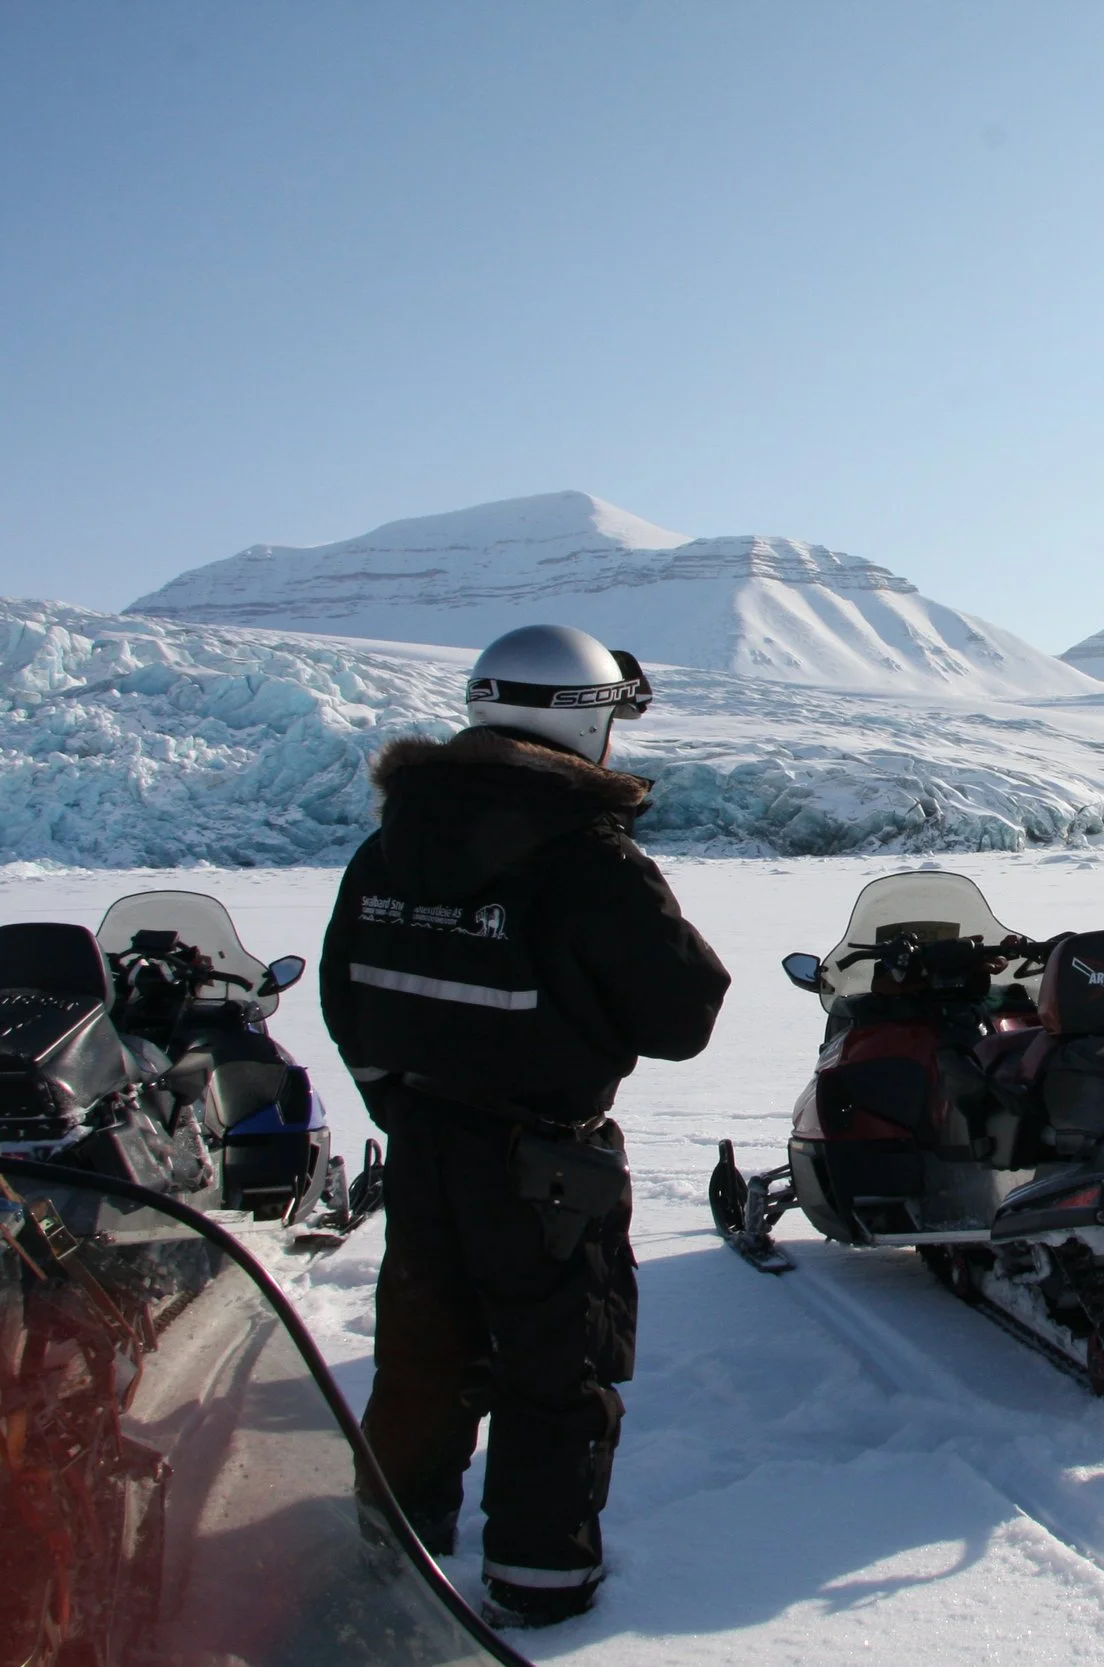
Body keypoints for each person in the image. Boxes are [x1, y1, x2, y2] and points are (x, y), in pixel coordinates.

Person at [321, 624, 731, 1626]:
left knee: (423, 1351)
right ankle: (541, 1585)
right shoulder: (589, 856)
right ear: (578, 721)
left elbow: (346, 997)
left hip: (423, 1146)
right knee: (557, 1366)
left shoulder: (390, 844)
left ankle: (391, 1560)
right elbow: (683, 1015)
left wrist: (404, 1107)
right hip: (549, 1161)